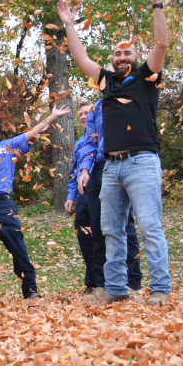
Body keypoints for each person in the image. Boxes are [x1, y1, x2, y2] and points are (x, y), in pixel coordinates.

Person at [58, 0, 171, 306]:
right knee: (111, 230)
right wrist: (69, 25)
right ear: (112, 59)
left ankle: (160, 290)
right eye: (118, 53)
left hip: (142, 162)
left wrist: (156, 4)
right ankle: (117, 289)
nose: (123, 56)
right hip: (111, 167)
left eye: (128, 52)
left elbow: (161, 44)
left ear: (136, 57)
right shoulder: (106, 82)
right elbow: (81, 59)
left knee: (149, 227)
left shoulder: (146, 77)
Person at [0, 106, 71, 299]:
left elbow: (33, 132)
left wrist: (52, 117)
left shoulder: (8, 146)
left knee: (18, 248)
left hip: (3, 204)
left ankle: (30, 292)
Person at [74, 99, 144, 297]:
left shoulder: (130, 98)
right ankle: (101, 283)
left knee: (125, 225)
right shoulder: (97, 107)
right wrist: (85, 169)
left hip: (123, 163)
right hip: (98, 167)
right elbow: (90, 140)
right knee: (96, 228)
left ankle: (132, 281)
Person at [65, 103, 98, 294]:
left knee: (101, 237)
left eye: (88, 113)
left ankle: (109, 281)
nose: (84, 117)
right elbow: (74, 172)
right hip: (83, 195)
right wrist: (71, 196)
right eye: (81, 114)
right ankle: (91, 282)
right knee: (85, 237)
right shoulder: (79, 143)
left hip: (101, 191)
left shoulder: (102, 138)